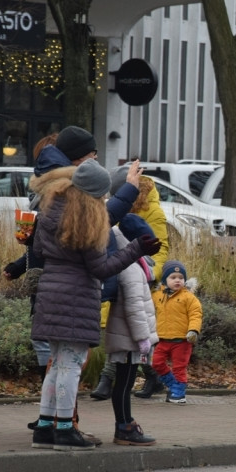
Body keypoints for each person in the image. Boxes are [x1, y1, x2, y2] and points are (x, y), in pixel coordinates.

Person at [29, 160, 160, 451]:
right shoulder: (86, 221)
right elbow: (102, 268)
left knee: (56, 364)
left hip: (50, 294)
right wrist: (136, 249)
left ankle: (44, 427)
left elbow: (38, 250)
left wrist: (128, 187)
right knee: (71, 366)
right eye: (101, 196)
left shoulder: (52, 209)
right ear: (93, 195)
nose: (103, 201)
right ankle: (64, 429)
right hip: (76, 298)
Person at [93, 165, 170, 401]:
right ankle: (151, 376)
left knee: (134, 330)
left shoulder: (152, 211)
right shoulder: (114, 211)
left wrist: (149, 271)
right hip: (119, 270)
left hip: (138, 273)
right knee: (123, 331)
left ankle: (108, 380)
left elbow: (160, 247)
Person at [103, 220, 159, 444]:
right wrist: (142, 338)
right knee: (124, 384)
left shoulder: (130, 263)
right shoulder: (131, 269)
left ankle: (125, 423)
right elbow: (135, 307)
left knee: (124, 383)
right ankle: (124, 426)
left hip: (127, 336)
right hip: (129, 338)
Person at [151, 260, 202, 405]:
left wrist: (193, 330)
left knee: (179, 367)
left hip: (182, 340)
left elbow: (195, 314)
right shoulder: (158, 295)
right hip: (163, 338)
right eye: (173, 277)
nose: (177, 280)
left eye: (180, 277)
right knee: (156, 363)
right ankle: (174, 385)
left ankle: (179, 393)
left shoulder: (188, 298)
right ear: (165, 280)